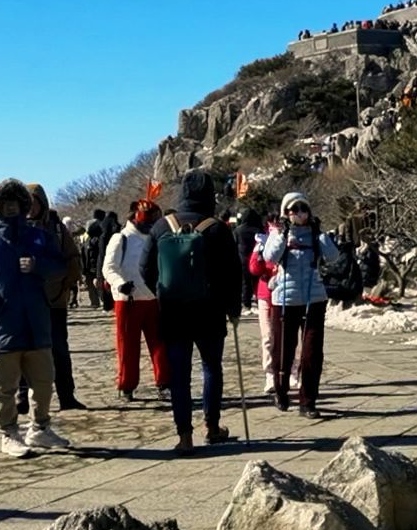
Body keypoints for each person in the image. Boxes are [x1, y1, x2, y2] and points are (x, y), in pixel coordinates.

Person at [0, 179, 71, 458]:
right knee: (4, 387)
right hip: (4, 326)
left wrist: (38, 266)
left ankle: (40, 428)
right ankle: (9, 433)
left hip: (38, 323)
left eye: (15, 203)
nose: (11, 208)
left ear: (24, 206)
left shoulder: (39, 237)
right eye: (5, 204)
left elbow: (61, 266)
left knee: (44, 382)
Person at [143, 169, 242, 453]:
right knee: (211, 368)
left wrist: (163, 292)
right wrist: (232, 307)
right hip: (209, 311)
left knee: (179, 375)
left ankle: (184, 436)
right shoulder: (217, 228)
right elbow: (232, 275)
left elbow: (144, 268)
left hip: (173, 312)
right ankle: (211, 426)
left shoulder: (163, 225)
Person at [263, 192, 340, 419]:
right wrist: (282, 234)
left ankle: (308, 400)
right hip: (285, 300)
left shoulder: (316, 235)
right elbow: (270, 257)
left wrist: (320, 233)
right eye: (293, 210)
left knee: (312, 353)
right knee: (282, 350)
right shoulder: (280, 234)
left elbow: (333, 256)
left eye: (303, 209)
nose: (299, 214)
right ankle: (281, 389)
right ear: (285, 213)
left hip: (314, 299)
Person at [25, 183, 85, 411]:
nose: (31, 208)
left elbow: (72, 258)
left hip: (55, 300)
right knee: (26, 352)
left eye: (34, 202)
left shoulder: (57, 228)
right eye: (27, 203)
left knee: (59, 349)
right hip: (28, 303)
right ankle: (24, 398)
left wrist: (66, 286)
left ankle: (66, 395)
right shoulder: (17, 228)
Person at [103, 199, 168, 403]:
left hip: (153, 298)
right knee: (127, 345)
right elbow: (109, 267)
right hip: (128, 299)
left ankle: (164, 382)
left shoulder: (156, 238)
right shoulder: (120, 238)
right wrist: (119, 283)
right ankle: (127, 384)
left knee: (160, 344)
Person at [249, 214, 288, 394]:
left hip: (286, 293)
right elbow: (254, 269)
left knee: (287, 336)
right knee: (267, 336)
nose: (275, 225)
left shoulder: (288, 239)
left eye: (278, 222)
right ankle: (269, 374)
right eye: (272, 223)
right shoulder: (262, 242)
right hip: (265, 294)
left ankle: (292, 371)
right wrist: (258, 254)